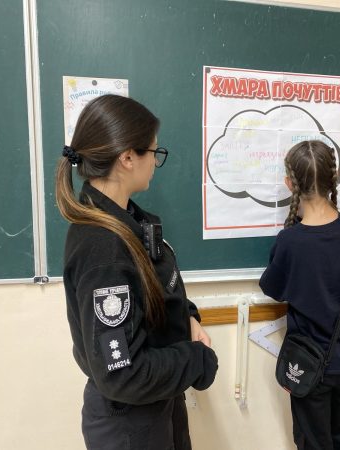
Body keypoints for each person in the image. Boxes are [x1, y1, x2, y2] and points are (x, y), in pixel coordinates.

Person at [56, 94, 218, 450]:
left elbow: (153, 290)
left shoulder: (127, 221)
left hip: (153, 409)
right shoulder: (103, 248)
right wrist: (196, 360)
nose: (155, 163)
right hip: (131, 425)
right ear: (128, 158)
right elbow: (122, 374)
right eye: (154, 153)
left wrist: (186, 317)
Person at [259, 140, 340, 450]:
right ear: (334, 179)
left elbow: (272, 287)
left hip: (310, 365)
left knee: (313, 444)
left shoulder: (290, 241)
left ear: (289, 184)